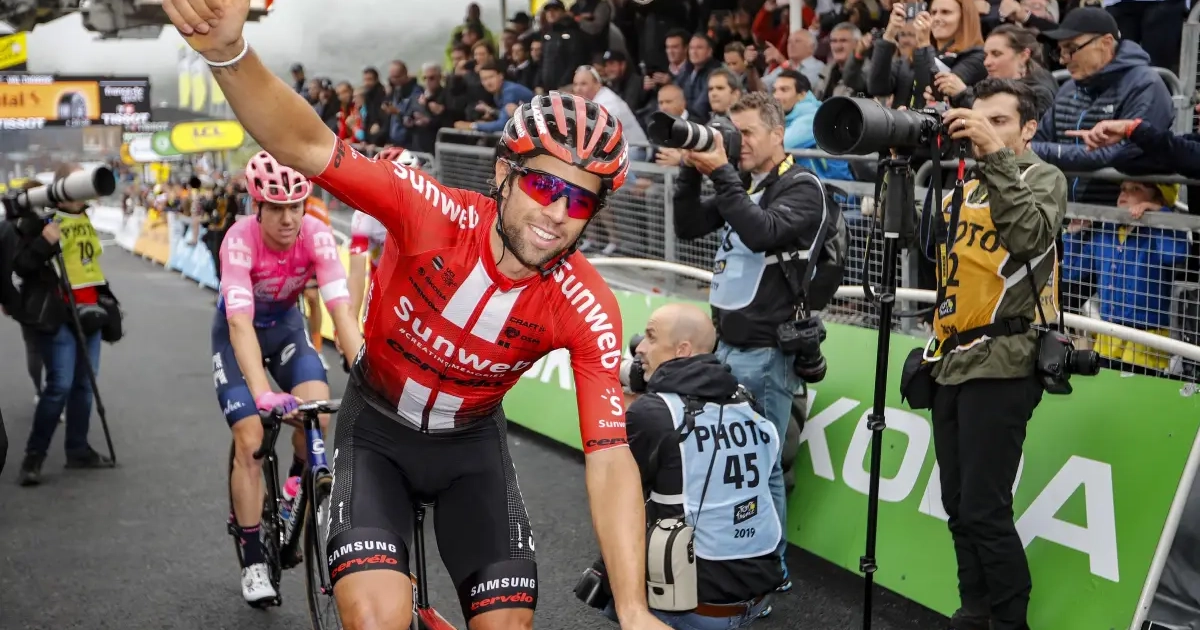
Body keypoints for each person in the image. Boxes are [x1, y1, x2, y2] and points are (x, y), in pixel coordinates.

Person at [161, 2, 669, 629]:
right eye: (544, 185)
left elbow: (611, 456)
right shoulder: (429, 210)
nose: (558, 213)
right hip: (377, 432)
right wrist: (228, 54)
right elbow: (307, 143)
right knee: (377, 620)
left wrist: (633, 609)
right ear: (504, 173)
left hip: (471, 449)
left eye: (580, 201)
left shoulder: (586, 303)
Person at [672, 91, 838, 591]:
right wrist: (689, 171)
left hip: (766, 352)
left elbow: (762, 231)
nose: (737, 142)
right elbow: (687, 227)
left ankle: (771, 570)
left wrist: (722, 173)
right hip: (727, 345)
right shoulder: (746, 184)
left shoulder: (803, 186)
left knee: (763, 467)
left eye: (747, 133)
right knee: (735, 463)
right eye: (733, 132)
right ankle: (739, 558)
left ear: (777, 134)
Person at [923, 78, 1067, 630]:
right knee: (958, 504)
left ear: (1029, 128)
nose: (983, 129)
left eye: (999, 121)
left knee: (985, 508)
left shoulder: (1042, 177)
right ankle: (974, 608)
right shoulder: (965, 182)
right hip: (950, 358)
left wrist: (995, 155)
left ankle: (1009, 621)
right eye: (977, 118)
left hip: (1004, 360)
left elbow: (1030, 238)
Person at [214, 151, 364, 606]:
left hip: (286, 330)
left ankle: (293, 491)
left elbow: (341, 310)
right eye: (276, 208)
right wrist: (262, 392)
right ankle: (253, 559)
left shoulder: (316, 235)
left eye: (295, 206)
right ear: (257, 207)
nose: (287, 218)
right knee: (251, 439)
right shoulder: (239, 240)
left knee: (318, 414)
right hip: (238, 335)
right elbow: (238, 323)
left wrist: (365, 372)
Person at [619, 303, 781, 628]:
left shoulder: (653, 413)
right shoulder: (747, 400)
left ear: (682, 350)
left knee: (622, 520)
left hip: (692, 604)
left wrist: (625, 408)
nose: (640, 348)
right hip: (759, 590)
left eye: (651, 337)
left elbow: (618, 495)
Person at [13, 164, 118, 486]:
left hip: (89, 311)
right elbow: (21, 265)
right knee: (59, 384)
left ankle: (77, 449)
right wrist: (44, 242)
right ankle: (34, 456)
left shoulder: (84, 217)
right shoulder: (39, 220)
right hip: (57, 313)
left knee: (85, 384)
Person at [1030, 7, 1173, 205]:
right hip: (1068, 214)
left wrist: (1037, 150)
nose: (1063, 59)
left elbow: (1125, 153)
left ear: (1106, 43)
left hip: (1124, 217)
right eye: (1059, 51)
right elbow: (1038, 140)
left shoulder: (1146, 84)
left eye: (1071, 49)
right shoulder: (1069, 88)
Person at [347, 147, 420, 322]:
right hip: (381, 277)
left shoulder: (427, 212)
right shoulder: (364, 215)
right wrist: (351, 320)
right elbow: (356, 274)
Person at [302, 188, 332, 357]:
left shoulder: (316, 206)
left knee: (313, 297)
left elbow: (327, 236)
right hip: (285, 254)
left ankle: (318, 347)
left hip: (310, 256)